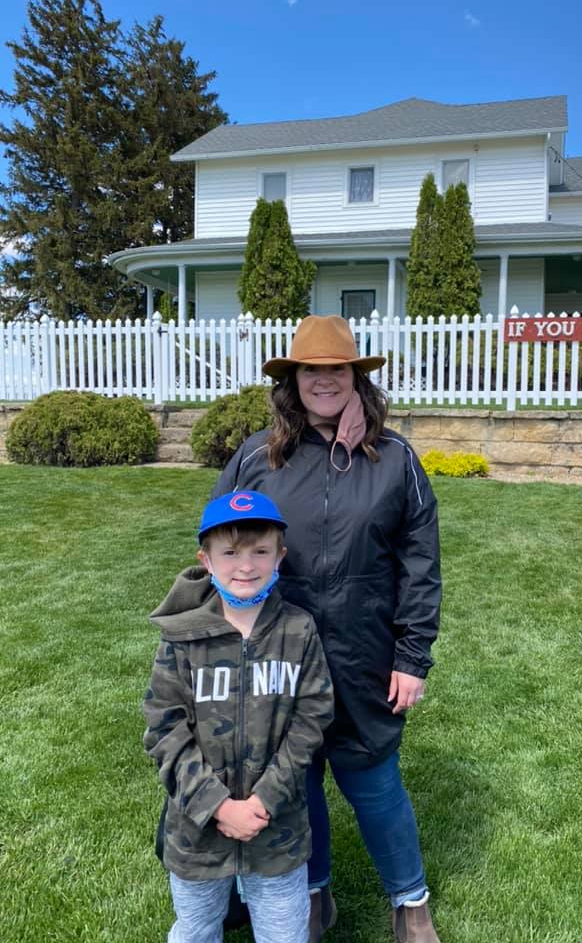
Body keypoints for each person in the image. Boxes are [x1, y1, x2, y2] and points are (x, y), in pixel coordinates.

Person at [212, 315, 443, 943]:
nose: (323, 381)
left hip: (366, 649)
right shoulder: (258, 456)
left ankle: (410, 902)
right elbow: (224, 551)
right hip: (278, 649)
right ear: (293, 381)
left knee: (373, 777)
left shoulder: (394, 458)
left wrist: (412, 655)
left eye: (335, 370)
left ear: (355, 378)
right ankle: (314, 894)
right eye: (310, 370)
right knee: (297, 776)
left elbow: (421, 562)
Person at [143, 489, 334, 943]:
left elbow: (313, 716)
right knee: (195, 930)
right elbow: (164, 729)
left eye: (260, 551)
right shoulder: (182, 638)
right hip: (197, 833)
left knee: (285, 934)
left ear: (279, 556)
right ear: (206, 560)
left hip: (277, 830)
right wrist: (219, 807)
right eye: (229, 552)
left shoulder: (298, 630)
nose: (245, 566)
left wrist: (264, 800)